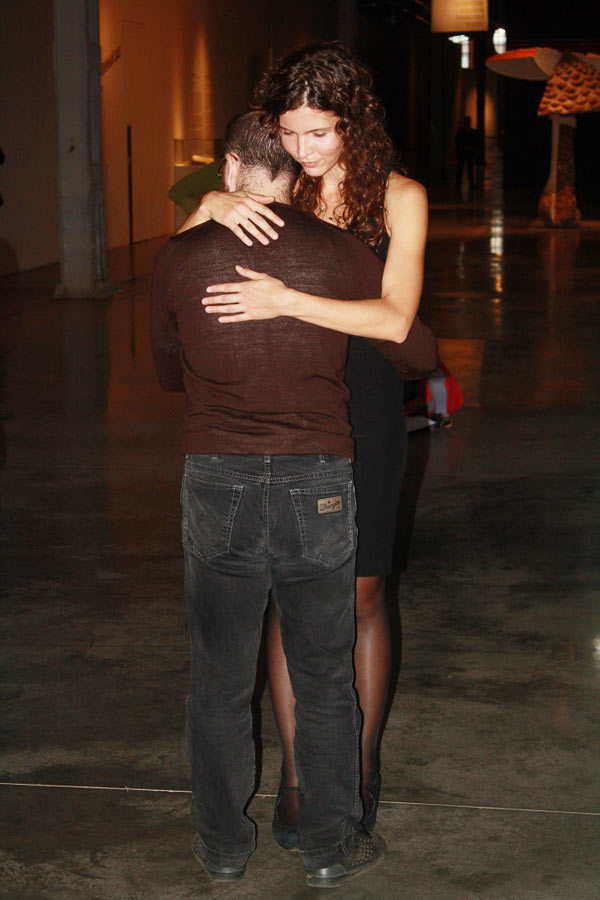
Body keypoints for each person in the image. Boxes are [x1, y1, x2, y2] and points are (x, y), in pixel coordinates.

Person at [150, 112, 437, 888]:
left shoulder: (183, 256)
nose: (312, 148)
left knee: (218, 676)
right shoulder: (336, 249)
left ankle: (222, 848)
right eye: (299, 136)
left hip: (225, 470)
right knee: (324, 667)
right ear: (288, 160)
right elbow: (418, 350)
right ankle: (328, 844)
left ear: (231, 166)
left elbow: (167, 366)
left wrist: (275, 304)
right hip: (318, 467)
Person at [455, 115, 478, 191]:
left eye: (468, 122)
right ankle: (458, 183)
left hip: (469, 154)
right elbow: (457, 141)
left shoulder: (473, 132)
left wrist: (470, 148)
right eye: (466, 121)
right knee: (460, 169)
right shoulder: (460, 131)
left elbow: (476, 142)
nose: (467, 123)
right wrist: (463, 147)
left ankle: (471, 183)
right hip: (462, 153)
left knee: (470, 169)